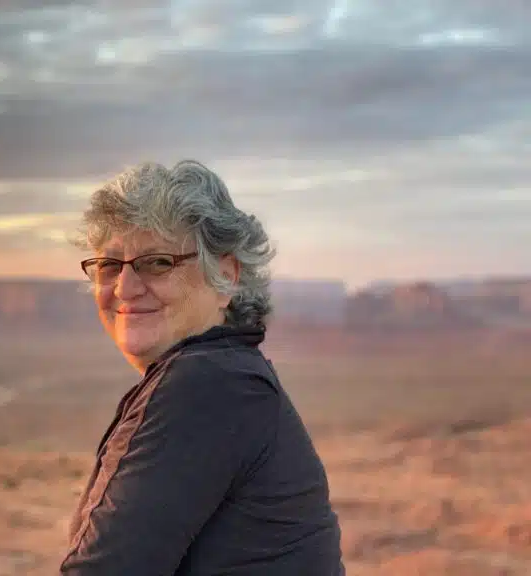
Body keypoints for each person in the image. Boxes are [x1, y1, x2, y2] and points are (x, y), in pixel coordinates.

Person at [59, 160, 345, 575]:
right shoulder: (234, 378)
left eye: (157, 262)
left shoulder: (205, 386)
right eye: (110, 265)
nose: (124, 287)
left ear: (226, 277)